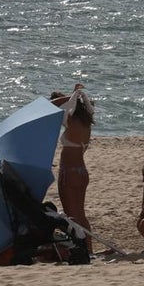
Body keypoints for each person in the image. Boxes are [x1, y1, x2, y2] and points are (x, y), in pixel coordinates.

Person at [50, 84, 94, 251]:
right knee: (81, 215)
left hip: (69, 172)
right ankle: (89, 250)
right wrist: (74, 96)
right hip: (82, 172)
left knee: (72, 216)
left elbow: (51, 105)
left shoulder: (70, 120)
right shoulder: (86, 122)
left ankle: (80, 250)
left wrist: (71, 96)